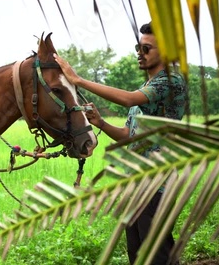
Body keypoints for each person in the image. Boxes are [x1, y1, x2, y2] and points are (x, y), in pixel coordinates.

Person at [54, 22, 187, 265]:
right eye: (139, 47)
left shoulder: (170, 81)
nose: (140, 53)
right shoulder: (145, 89)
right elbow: (128, 134)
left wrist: (78, 80)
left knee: (157, 255)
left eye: (147, 48)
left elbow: (127, 99)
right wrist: (101, 123)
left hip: (157, 182)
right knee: (137, 253)